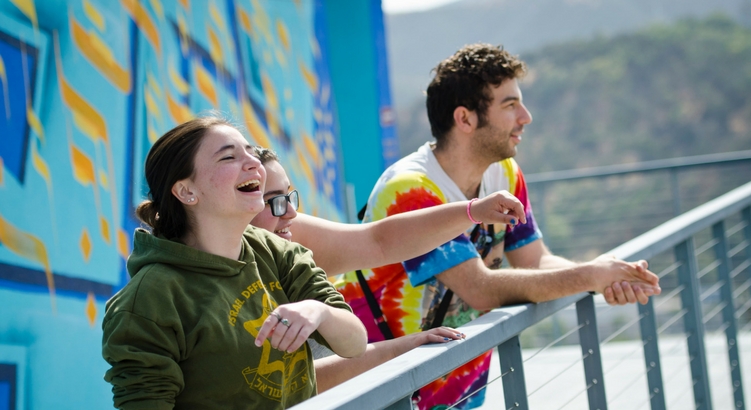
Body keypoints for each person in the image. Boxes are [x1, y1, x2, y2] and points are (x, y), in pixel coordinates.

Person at [332, 44, 662, 410]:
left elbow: (536, 262)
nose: (526, 116)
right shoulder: (410, 189)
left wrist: (608, 276)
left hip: (457, 387)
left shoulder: (503, 173)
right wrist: (590, 277)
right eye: (509, 105)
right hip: (384, 390)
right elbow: (481, 289)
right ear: (466, 119)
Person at [102, 117, 367, 410]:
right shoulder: (149, 300)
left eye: (251, 152)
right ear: (186, 192)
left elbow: (354, 343)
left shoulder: (277, 251)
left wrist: (320, 312)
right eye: (229, 156)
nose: (254, 163)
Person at [250, 147, 533, 392]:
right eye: (274, 200)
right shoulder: (214, 284)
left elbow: (378, 241)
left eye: (290, 196)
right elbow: (296, 381)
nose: (291, 212)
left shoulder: (289, 241)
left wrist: (472, 211)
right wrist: (400, 348)